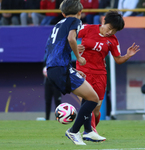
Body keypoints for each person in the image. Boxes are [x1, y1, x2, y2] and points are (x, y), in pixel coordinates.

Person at [45, 0, 103, 145]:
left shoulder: (58, 24)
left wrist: (73, 69)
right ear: (80, 12)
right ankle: (73, 131)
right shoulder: (75, 21)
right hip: (61, 68)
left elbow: (55, 48)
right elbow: (71, 38)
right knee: (93, 99)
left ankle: (88, 130)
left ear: (63, 13)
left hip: (54, 68)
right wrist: (78, 57)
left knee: (87, 95)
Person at [76, 11, 140, 141]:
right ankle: (90, 131)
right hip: (82, 71)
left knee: (96, 109)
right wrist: (74, 48)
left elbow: (118, 60)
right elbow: (68, 37)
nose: (110, 32)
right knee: (88, 101)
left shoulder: (113, 41)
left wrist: (127, 56)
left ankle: (91, 130)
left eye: (114, 31)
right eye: (110, 28)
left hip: (100, 74)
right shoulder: (88, 29)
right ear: (104, 21)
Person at [43, 54, 62, 120]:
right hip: (48, 83)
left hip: (56, 83)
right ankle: (47, 118)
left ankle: (58, 118)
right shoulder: (47, 58)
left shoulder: (59, 59)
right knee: (47, 101)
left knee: (57, 101)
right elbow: (44, 69)